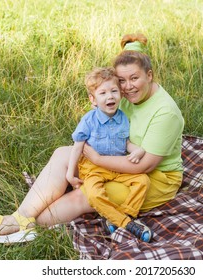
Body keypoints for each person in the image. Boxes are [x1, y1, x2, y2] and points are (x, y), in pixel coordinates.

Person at [0, 33, 184, 244]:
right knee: (63, 153)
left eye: (134, 78)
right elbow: (128, 63)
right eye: (122, 81)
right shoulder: (125, 91)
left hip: (153, 178)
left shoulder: (166, 112)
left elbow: (144, 166)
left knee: (84, 195)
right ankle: (18, 219)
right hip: (118, 156)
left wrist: (95, 159)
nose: (127, 87)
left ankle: (19, 228)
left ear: (150, 75)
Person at [66, 66, 152, 242]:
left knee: (143, 181)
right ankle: (127, 223)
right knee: (94, 194)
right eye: (103, 93)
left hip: (116, 164)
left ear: (120, 94)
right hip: (94, 168)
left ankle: (121, 214)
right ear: (93, 99)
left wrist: (139, 150)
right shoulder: (89, 120)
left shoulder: (123, 118)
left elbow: (126, 143)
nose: (110, 96)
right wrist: (70, 173)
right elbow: (77, 147)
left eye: (114, 91)